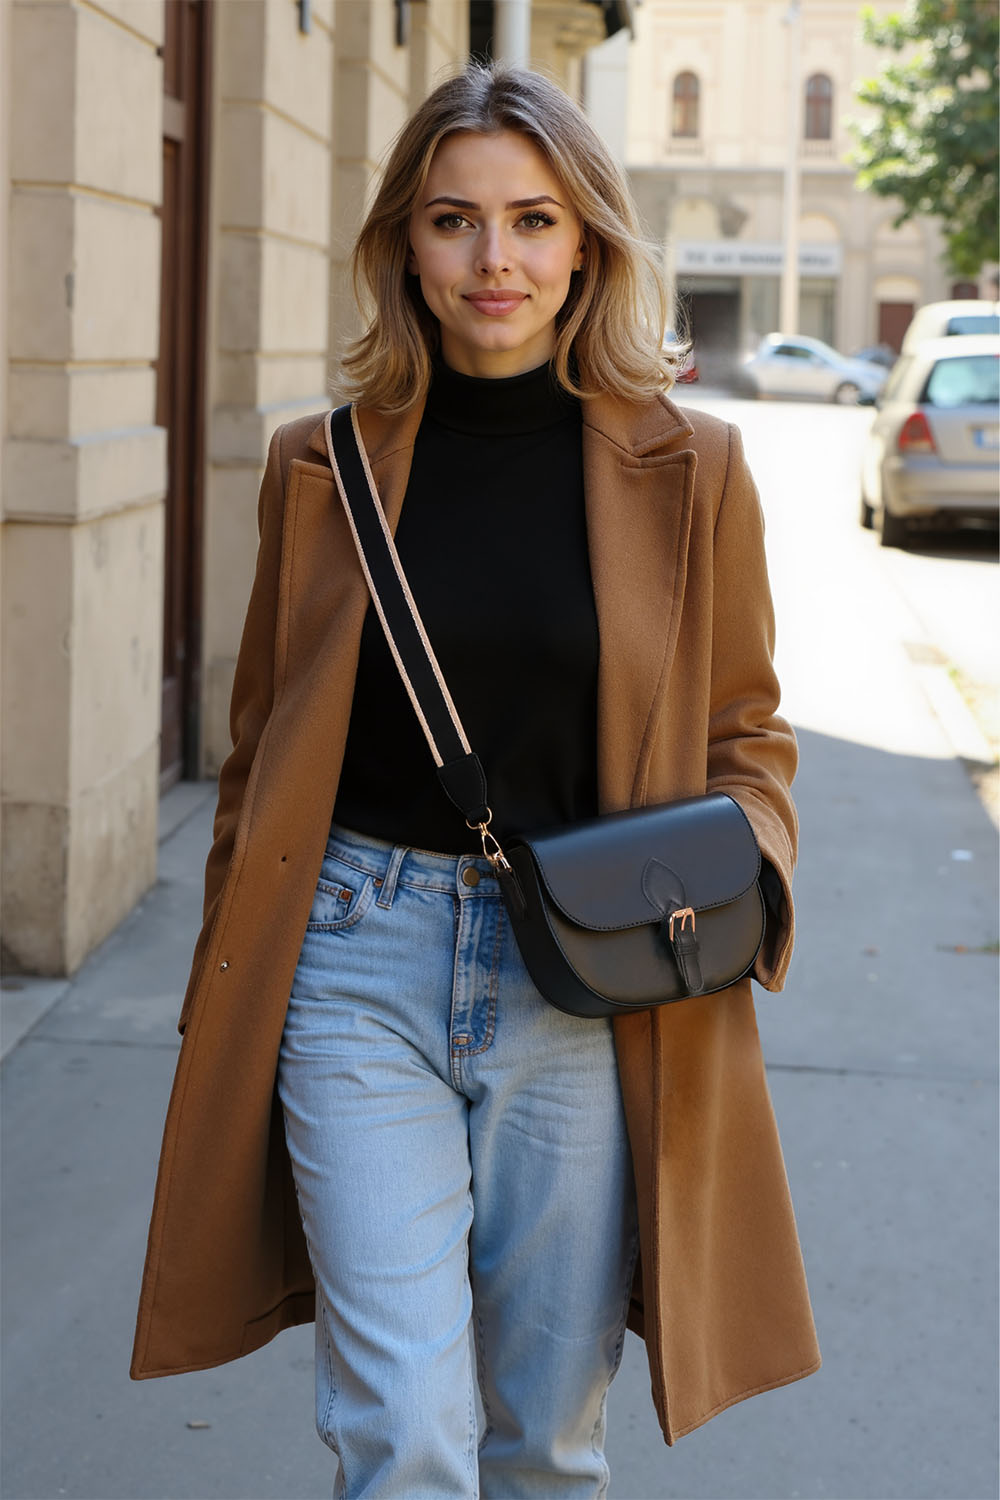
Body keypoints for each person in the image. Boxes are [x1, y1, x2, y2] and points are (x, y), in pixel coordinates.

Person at [131, 63, 820, 1499]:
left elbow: (748, 731)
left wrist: (746, 867)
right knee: (405, 1431)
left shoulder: (691, 466)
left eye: (532, 220)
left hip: (586, 977)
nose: (494, 261)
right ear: (405, 246)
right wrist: (226, 972)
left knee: (548, 1440)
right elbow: (261, 749)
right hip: (351, 959)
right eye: (454, 223)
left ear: (586, 245)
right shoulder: (317, 465)